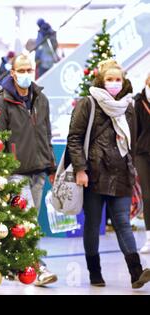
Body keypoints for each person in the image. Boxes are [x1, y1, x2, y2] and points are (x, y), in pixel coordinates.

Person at [67, 60, 150, 289]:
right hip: (94, 174)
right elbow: (74, 138)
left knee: (123, 222)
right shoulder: (89, 104)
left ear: (123, 82)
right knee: (93, 225)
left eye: (118, 80)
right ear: (101, 81)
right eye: (109, 79)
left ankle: (136, 274)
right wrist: (81, 169)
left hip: (122, 174)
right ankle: (95, 272)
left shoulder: (128, 107)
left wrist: (133, 171)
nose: (114, 84)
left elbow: (131, 142)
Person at [0, 53, 58, 286]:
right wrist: (3, 168)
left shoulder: (42, 99)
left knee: (28, 222)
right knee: (28, 223)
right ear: (12, 73)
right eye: (20, 70)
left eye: (28, 70)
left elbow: (46, 134)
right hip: (16, 173)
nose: (25, 74)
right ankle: (38, 268)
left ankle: (18, 264)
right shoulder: (2, 101)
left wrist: (51, 166)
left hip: (39, 171)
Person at [135, 73, 150, 254]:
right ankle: (148, 237)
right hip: (142, 153)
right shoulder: (138, 102)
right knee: (147, 196)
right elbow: (135, 129)